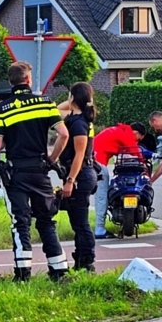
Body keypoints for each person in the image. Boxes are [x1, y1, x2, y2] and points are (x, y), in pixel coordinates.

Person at [0, 61, 70, 281]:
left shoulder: (3, 108)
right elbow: (63, 134)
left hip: (16, 172)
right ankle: (59, 270)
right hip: (40, 169)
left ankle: (23, 273)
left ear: (11, 81)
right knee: (46, 220)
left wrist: (12, 140)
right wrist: (52, 159)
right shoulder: (45, 103)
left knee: (20, 221)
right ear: (28, 80)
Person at [58, 82, 98, 272]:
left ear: (73, 97)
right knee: (77, 221)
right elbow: (56, 110)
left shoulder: (80, 123)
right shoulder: (75, 118)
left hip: (80, 176)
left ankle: (87, 261)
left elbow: (79, 155)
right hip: (80, 175)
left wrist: (70, 180)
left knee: (81, 222)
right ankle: (80, 259)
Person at [91, 122, 154, 239]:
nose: (137, 141)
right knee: (102, 195)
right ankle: (99, 229)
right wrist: (151, 156)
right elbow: (135, 151)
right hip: (97, 162)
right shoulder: (127, 134)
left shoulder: (119, 130)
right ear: (136, 133)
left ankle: (99, 227)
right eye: (138, 139)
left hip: (94, 159)